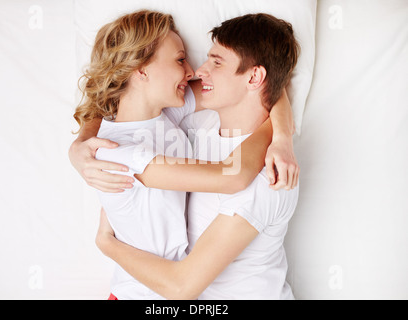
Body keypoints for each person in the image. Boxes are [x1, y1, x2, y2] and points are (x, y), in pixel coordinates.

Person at [70, 10, 298, 299]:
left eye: (213, 62)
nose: (193, 71)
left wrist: (282, 138)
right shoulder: (119, 154)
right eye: (180, 60)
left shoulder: (166, 114)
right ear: (141, 70)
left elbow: (269, 88)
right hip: (142, 294)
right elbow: (234, 175)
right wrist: (106, 244)